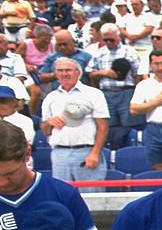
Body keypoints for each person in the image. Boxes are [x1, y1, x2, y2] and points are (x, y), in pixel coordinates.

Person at [40, 57, 110, 191]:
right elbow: (45, 131)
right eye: (60, 70)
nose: (64, 74)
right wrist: (49, 122)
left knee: (91, 196)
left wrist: (95, 153)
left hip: (86, 151)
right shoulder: (50, 97)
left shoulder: (94, 94)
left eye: (68, 70)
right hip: (59, 153)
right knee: (62, 195)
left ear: (78, 72)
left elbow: (103, 127)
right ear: (56, 74)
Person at [86, 23, 143, 150]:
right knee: (109, 126)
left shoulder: (129, 52)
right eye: (105, 40)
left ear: (118, 36)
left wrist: (136, 93)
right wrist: (103, 73)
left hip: (126, 91)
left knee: (128, 125)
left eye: (111, 40)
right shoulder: (99, 53)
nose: (108, 42)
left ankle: (128, 152)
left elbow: (138, 74)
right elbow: (90, 73)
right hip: (106, 93)